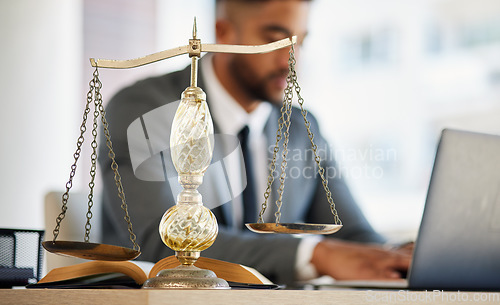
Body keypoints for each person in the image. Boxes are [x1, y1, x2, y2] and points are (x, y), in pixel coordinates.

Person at [99, 0, 411, 285]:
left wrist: (401, 255)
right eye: (275, 40)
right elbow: (158, 240)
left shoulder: (302, 127)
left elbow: (354, 234)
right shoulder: (144, 109)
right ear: (223, 32)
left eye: (300, 42)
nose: (291, 61)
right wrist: (313, 254)